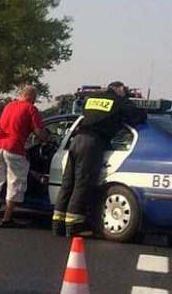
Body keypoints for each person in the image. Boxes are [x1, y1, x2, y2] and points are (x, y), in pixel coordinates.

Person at [53, 81, 147, 237]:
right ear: (121, 89)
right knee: (82, 183)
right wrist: (127, 100)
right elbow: (139, 115)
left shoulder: (91, 99)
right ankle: (73, 225)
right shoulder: (118, 101)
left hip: (76, 141)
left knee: (68, 183)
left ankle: (57, 224)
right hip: (92, 144)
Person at [0, 86, 49, 228]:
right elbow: (38, 131)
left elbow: (0, 127)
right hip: (15, 149)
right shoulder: (31, 109)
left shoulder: (9, 106)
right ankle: (7, 219)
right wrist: (46, 137)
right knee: (15, 183)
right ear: (32, 97)